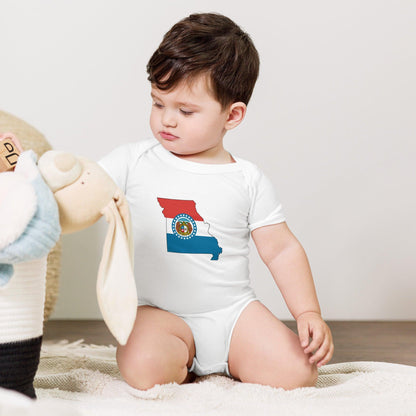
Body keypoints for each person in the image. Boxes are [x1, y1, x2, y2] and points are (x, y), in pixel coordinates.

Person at [99, 12, 334, 391]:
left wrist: (307, 312)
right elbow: (82, 184)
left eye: (185, 111)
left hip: (232, 313)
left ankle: (222, 360)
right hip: (160, 312)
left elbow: (280, 250)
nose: (166, 121)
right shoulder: (133, 162)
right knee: (142, 366)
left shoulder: (246, 179)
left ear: (232, 115)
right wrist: (31, 173)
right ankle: (181, 360)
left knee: (298, 372)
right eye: (158, 104)